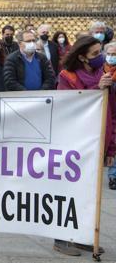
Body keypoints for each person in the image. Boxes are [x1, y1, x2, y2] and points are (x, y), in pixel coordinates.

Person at [56, 35, 112, 256]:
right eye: (95, 54)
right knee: (67, 192)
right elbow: (67, 107)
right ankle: (60, 239)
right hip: (74, 144)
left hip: (98, 142)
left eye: (101, 52)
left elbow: (112, 114)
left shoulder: (105, 74)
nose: (101, 58)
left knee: (90, 194)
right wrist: (96, 91)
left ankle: (82, 236)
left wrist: (112, 148)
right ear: (82, 57)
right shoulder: (67, 77)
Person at [103, 42, 116, 191]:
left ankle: (113, 175)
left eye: (115, 54)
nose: (112, 57)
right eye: (110, 54)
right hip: (108, 112)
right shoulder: (99, 70)